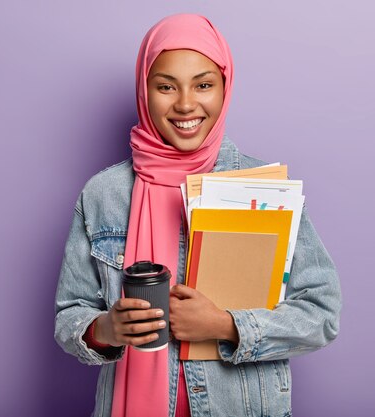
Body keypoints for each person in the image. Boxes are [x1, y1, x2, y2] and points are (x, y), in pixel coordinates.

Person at [54, 13, 341, 417]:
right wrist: (104, 329)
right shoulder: (104, 194)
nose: (186, 103)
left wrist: (226, 325)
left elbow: (322, 314)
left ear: (225, 88)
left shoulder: (265, 190)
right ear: (144, 90)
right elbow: (71, 313)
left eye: (203, 84)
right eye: (166, 86)